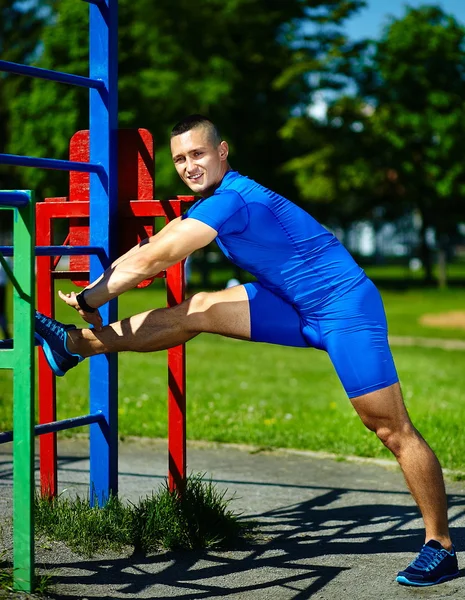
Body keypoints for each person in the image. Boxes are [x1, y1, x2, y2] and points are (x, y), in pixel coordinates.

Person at [20, 115, 459, 585]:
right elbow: (152, 247)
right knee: (199, 308)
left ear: (222, 151)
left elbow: (155, 259)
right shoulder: (210, 203)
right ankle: (71, 346)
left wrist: (94, 299)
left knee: (391, 429)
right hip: (290, 303)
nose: (190, 165)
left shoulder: (233, 199)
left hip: (344, 307)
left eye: (198, 154)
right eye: (180, 159)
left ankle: (441, 545)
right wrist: (95, 291)